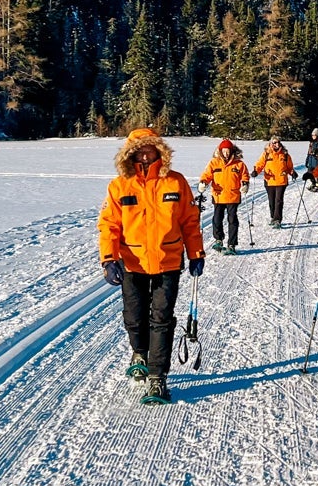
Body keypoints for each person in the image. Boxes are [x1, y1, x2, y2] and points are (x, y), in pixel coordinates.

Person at [98, 127, 206, 405]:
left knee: (162, 318)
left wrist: (196, 253)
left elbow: (189, 221)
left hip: (168, 261)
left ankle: (158, 377)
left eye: (150, 150)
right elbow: (109, 224)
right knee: (134, 317)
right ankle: (139, 353)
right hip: (132, 263)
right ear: (130, 154)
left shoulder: (176, 182)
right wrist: (109, 258)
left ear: (159, 151)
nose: (145, 155)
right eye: (139, 151)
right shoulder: (119, 186)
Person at [199, 138, 250, 254]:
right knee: (217, 219)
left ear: (232, 151)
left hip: (233, 195)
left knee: (232, 220)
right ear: (220, 151)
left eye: (228, 151)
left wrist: (245, 184)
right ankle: (218, 240)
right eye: (224, 151)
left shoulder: (239, 164)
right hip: (218, 195)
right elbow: (207, 175)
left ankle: (231, 244)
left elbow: (245, 176)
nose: (226, 153)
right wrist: (203, 183)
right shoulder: (214, 162)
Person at [252, 137, 297, 227]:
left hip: (281, 180)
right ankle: (273, 217)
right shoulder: (266, 153)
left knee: (278, 200)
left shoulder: (284, 154)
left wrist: (292, 173)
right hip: (269, 180)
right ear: (270, 143)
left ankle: (277, 219)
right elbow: (260, 164)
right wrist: (256, 171)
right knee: (271, 200)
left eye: (277, 142)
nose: (276, 144)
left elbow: (289, 167)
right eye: (274, 142)